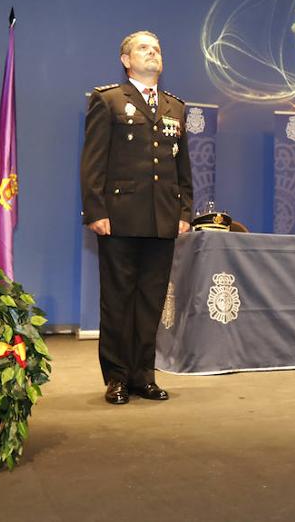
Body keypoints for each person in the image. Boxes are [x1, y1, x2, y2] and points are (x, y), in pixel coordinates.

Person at [81, 31, 193, 405]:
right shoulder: (109, 100)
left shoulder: (175, 107)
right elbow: (93, 161)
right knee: (117, 300)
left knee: (150, 301)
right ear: (126, 59)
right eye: (145, 48)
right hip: (120, 217)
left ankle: (143, 375)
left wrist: (184, 212)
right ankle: (116, 377)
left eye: (158, 48)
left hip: (162, 219)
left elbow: (182, 168)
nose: (153, 53)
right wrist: (96, 210)